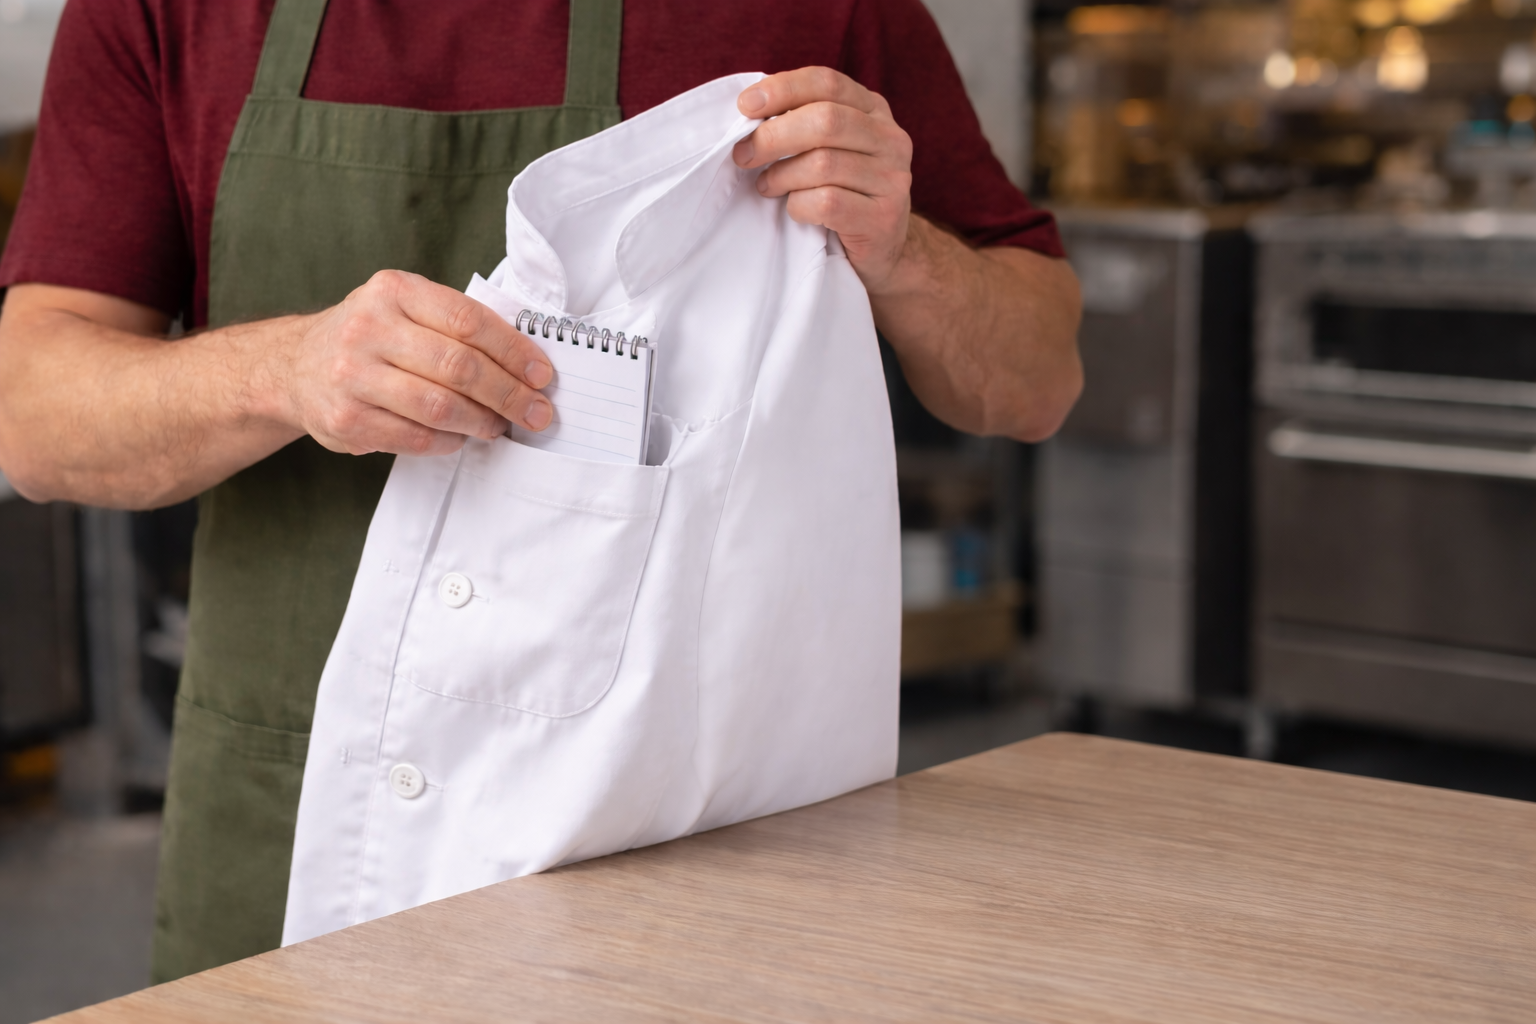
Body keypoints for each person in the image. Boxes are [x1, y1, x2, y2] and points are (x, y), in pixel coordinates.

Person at [0, 0, 1081, 981]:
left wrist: (904, 251)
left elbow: (1035, 380)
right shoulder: (166, 13)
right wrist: (282, 371)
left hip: (668, 841)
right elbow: (34, 418)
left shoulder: (810, 11)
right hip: (284, 815)